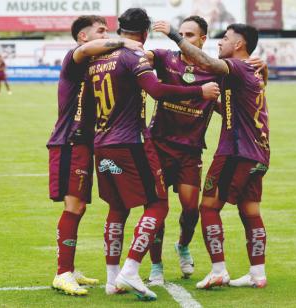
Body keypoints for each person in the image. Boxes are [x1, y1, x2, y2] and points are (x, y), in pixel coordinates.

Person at [84, 8, 220, 301]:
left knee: (117, 209)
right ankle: (133, 269)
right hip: (132, 142)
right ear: (145, 32)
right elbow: (156, 90)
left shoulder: (97, 59)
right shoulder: (135, 57)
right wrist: (198, 92)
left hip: (102, 142)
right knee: (157, 205)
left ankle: (112, 279)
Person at [142, 15, 268, 286]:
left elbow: (226, 87)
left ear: (202, 40)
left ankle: (194, 253)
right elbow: (140, 58)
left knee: (197, 209)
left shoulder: (219, 68)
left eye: (190, 35)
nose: (184, 39)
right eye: (182, 34)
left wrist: (173, 33)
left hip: (209, 151)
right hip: (161, 145)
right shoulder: (166, 58)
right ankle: (156, 266)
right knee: (158, 208)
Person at [46, 15, 143, 296]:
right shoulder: (75, 56)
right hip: (69, 142)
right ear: (83, 37)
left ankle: (69, 268)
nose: (107, 34)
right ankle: (62, 273)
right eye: (101, 31)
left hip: (87, 144)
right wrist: (125, 40)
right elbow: (87, 51)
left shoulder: (101, 64)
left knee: (80, 207)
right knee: (73, 206)